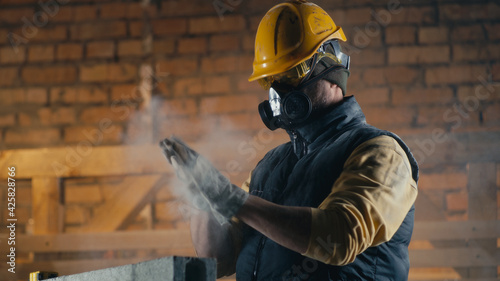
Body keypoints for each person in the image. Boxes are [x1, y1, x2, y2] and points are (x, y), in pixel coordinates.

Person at [159, 1, 419, 280]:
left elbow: (340, 238)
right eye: (272, 80)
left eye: (291, 75)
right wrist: (202, 198)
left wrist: (234, 200)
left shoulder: (379, 152)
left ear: (332, 68)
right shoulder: (269, 167)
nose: (279, 92)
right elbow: (220, 259)